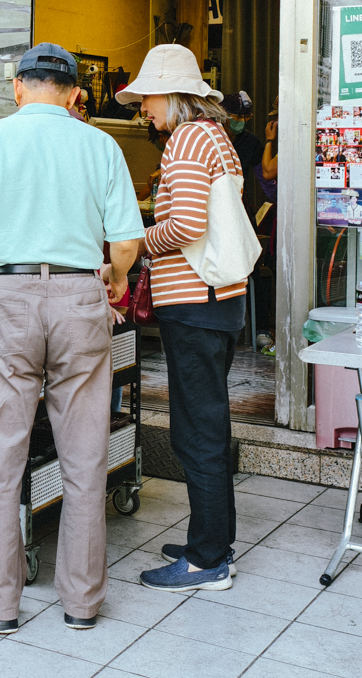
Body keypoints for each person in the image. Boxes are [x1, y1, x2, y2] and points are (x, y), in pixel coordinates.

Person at [0, 43, 144, 633]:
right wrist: (116, 278)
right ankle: (81, 604)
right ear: (75, 94)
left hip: (9, 295)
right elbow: (126, 242)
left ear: (18, 87)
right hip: (80, 297)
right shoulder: (101, 145)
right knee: (85, 458)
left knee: (1, 458)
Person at [113, 43, 248, 593]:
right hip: (218, 301)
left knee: (197, 431)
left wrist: (136, 243)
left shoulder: (188, 138)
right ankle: (213, 542)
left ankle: (206, 560)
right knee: (206, 423)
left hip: (196, 304)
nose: (143, 109)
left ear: (172, 94)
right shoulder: (216, 136)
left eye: (147, 98)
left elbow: (188, 225)